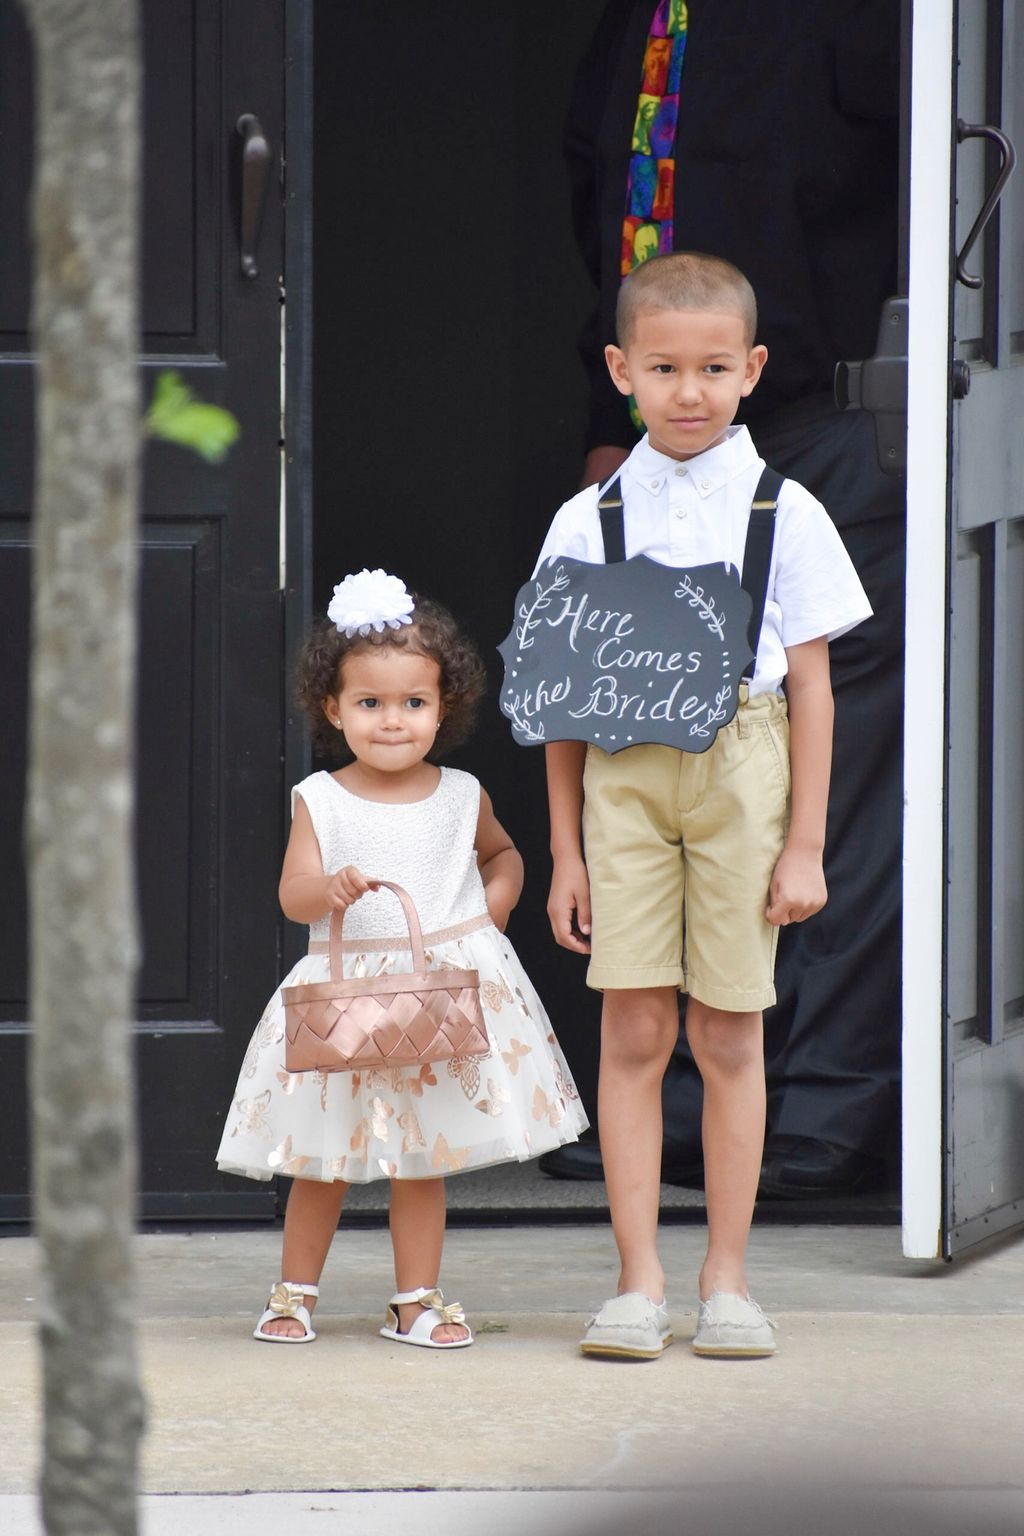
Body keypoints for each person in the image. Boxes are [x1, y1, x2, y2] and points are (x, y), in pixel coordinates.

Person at [541, 0, 904, 1197]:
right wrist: (612, 423)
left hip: (834, 422)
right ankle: (680, 1106)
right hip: (659, 445)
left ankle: (829, 1106)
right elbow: (614, 212)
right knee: (662, 760)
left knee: (825, 784)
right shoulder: (640, 20)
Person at [538, 252, 871, 1357]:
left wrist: (806, 845)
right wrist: (566, 854)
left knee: (728, 1028)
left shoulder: (788, 511)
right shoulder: (589, 518)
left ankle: (727, 1278)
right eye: (665, 368)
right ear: (621, 370)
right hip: (623, 775)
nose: (690, 392)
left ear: (753, 369)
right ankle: (637, 1280)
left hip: (744, 763)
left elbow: (814, 688)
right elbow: (562, 701)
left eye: (714, 368)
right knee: (634, 1023)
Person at [216, 569, 587, 1346]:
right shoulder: (321, 798)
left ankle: (415, 1300)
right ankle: (294, 1293)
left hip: (437, 992)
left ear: (443, 706)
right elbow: (292, 896)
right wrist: (328, 888)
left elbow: (504, 855)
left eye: (414, 703)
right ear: (333, 708)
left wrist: (494, 905)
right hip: (348, 995)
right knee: (322, 1159)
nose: (393, 721)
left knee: (423, 1158)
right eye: (370, 704)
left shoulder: (462, 794)